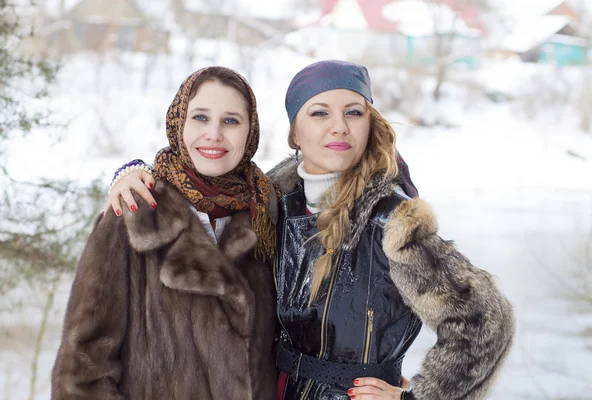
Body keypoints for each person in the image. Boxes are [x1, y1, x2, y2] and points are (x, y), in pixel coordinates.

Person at [107, 60, 515, 400]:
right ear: (294, 133)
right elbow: (204, 185)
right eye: (319, 112)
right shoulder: (270, 207)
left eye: (353, 112)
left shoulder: (394, 224)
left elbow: (485, 321)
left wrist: (418, 397)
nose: (338, 126)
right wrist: (135, 173)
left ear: (369, 125)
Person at [51, 66, 278, 399]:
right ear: (179, 122)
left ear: (250, 131)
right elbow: (83, 364)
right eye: (200, 118)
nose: (214, 134)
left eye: (231, 121)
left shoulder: (267, 215)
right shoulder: (133, 209)